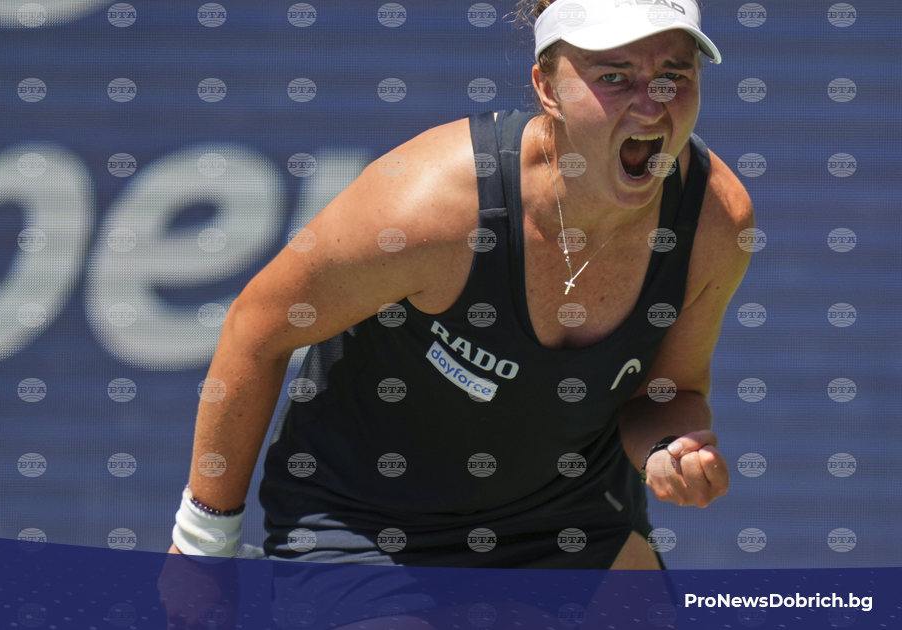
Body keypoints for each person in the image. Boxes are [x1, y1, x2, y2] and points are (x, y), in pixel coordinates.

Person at [161, 0, 753, 625]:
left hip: (572, 518)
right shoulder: (430, 209)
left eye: (674, 76)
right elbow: (257, 330)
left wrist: (668, 447)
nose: (652, 105)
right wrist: (201, 548)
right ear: (546, 88)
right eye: (614, 76)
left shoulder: (715, 222)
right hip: (368, 529)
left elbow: (669, 393)